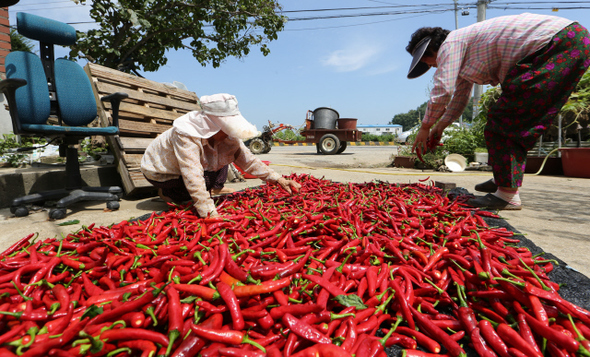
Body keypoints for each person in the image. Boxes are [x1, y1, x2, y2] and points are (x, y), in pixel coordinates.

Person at [406, 13, 590, 210]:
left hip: (557, 43)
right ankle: (503, 179)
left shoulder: (450, 44)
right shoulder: (465, 47)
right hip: (570, 40)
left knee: (504, 120)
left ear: (434, 47)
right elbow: (460, 96)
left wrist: (425, 127)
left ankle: (507, 195)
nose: (432, 66)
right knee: (514, 120)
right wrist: (440, 127)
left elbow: (444, 90)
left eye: (428, 61)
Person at [140, 93, 301, 217]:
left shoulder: (227, 138)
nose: (230, 132)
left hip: (187, 170)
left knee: (223, 163)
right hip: (162, 172)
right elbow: (192, 175)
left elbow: (249, 161)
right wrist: (208, 212)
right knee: (192, 192)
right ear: (211, 125)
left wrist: (278, 179)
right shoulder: (186, 134)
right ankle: (166, 192)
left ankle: (201, 192)